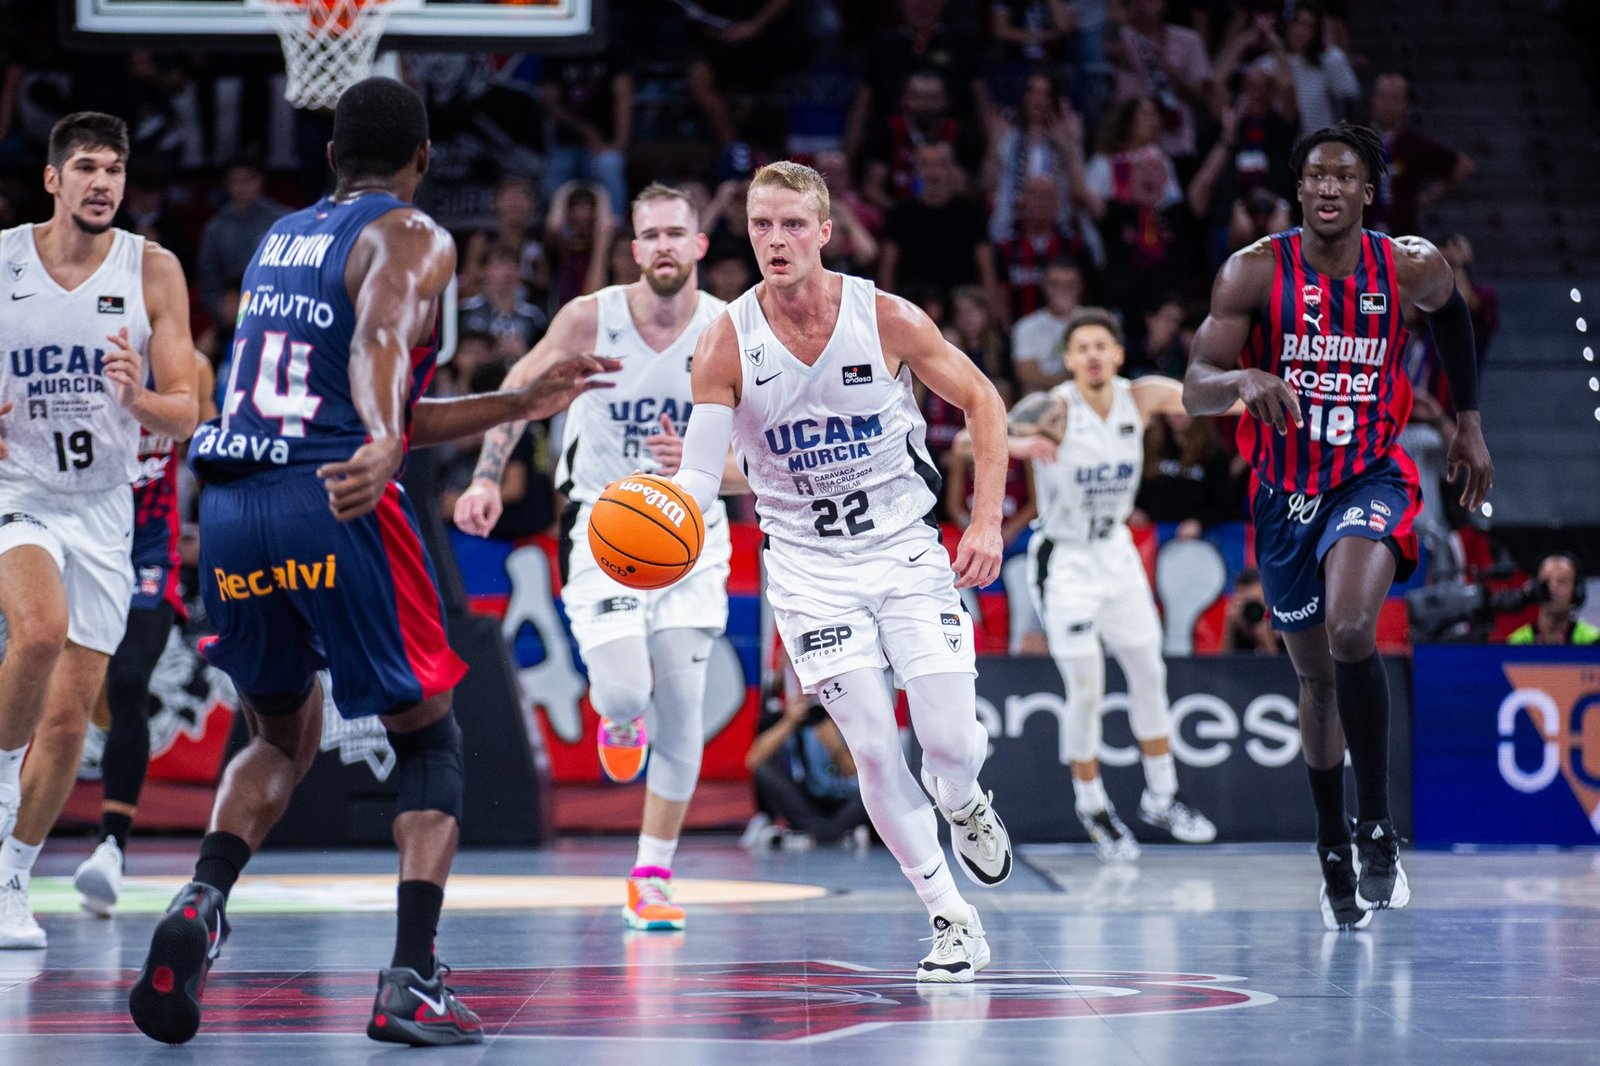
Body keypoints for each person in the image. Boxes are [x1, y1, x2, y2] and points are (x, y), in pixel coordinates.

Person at [125, 78, 616, 1047]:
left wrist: (513, 406)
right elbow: (382, 342)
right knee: (429, 739)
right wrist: (387, 438)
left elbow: (341, 398)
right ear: (422, 160)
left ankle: (200, 902)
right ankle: (411, 978)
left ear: (328, 158)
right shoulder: (411, 236)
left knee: (276, 735)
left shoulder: (280, 238)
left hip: (233, 502)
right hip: (333, 497)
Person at [668, 160, 1014, 982]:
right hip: (808, 569)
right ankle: (949, 914)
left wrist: (988, 519)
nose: (776, 240)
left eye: (793, 224)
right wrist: (665, 510)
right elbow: (700, 475)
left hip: (904, 553)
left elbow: (984, 403)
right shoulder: (724, 342)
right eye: (761, 225)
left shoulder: (884, 316)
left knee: (950, 742)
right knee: (870, 747)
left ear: (826, 231)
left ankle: (965, 803)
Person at [1182, 123, 1492, 931]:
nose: (1326, 188)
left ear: (1366, 191)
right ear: (1299, 189)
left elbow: (1453, 317)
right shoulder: (1253, 271)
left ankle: (1376, 826)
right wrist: (1243, 377)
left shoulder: (1409, 264)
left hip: (1371, 474)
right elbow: (1193, 389)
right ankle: (1330, 845)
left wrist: (1468, 420)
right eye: (1314, 175)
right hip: (1283, 495)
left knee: (1355, 630)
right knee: (1316, 680)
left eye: (1342, 177)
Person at [455, 182, 736, 933]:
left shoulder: (732, 329)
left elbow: (766, 455)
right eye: (652, 235)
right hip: (606, 530)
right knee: (621, 693)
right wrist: (486, 475)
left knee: (683, 715)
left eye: (679, 232)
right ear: (634, 249)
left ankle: (651, 871)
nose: (666, 245)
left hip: (694, 534)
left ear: (700, 244)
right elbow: (518, 389)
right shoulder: (590, 318)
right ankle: (618, 719)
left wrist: (712, 464)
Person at [0, 112, 200, 949]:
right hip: (20, 488)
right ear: (53, 179)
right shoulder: (4, 259)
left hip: (107, 506)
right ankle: (2, 778)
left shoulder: (152, 270)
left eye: (114, 170)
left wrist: (137, 399)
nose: (102, 184)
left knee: (74, 714)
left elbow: (188, 411)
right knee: (38, 633)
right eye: (85, 167)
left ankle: (12, 875)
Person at [1006, 308, 1219, 861]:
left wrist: (1271, 393)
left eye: (1103, 344)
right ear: (1069, 359)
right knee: (1088, 688)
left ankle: (1163, 795)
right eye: (1082, 348)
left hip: (1117, 553)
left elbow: (1214, 398)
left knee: (1150, 672)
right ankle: (1091, 804)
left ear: (1119, 353)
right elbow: (968, 443)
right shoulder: (1052, 408)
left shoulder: (1142, 395)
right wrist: (1020, 446)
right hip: (1066, 560)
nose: (1093, 355)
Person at [72, 351, 217, 917]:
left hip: (149, 550)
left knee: (131, 681)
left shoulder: (190, 366)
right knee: (63, 691)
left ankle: (112, 846)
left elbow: (206, 453)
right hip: (80, 536)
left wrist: (214, 528)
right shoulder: (75, 351)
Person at [745, 685, 870, 849]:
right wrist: (789, 721)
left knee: (872, 792)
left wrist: (836, 749)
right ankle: (834, 834)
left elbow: (859, 775)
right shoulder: (793, 722)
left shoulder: (852, 719)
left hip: (847, 799)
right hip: (810, 802)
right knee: (765, 772)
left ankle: (817, 835)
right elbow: (754, 761)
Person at [1507, 554, 1596, 646]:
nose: (1553, 589)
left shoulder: (1593, 641)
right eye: (1546, 581)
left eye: (1562, 582)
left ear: (1576, 591)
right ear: (1535, 589)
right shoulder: (1517, 642)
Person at [1220, 567, 1282, 654]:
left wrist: (1268, 642)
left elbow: (1289, 666)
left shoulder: (1286, 630)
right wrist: (1230, 628)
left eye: (1258, 605)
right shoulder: (1237, 629)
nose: (1254, 611)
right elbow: (1222, 665)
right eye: (1248, 605)